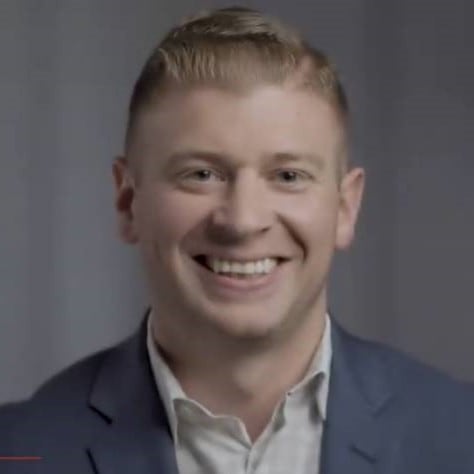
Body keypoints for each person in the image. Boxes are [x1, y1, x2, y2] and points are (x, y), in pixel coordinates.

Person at [1, 6, 473, 474]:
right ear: (128, 202)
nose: (243, 221)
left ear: (345, 208)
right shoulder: (18, 452)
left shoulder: (461, 437)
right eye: (201, 174)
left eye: (288, 175)